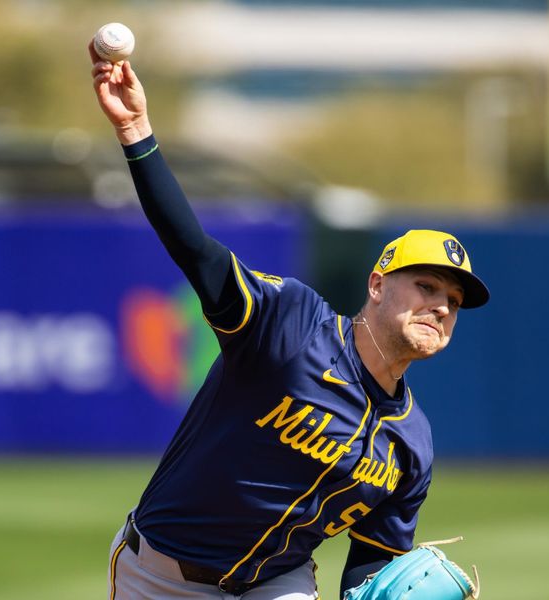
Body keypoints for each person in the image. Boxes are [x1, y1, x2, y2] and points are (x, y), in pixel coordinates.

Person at [89, 41, 489, 600]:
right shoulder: (292, 325)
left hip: (276, 585)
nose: (442, 306)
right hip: (162, 574)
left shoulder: (412, 444)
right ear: (376, 284)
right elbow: (197, 253)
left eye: (453, 300)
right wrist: (136, 132)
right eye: (426, 286)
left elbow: (371, 571)